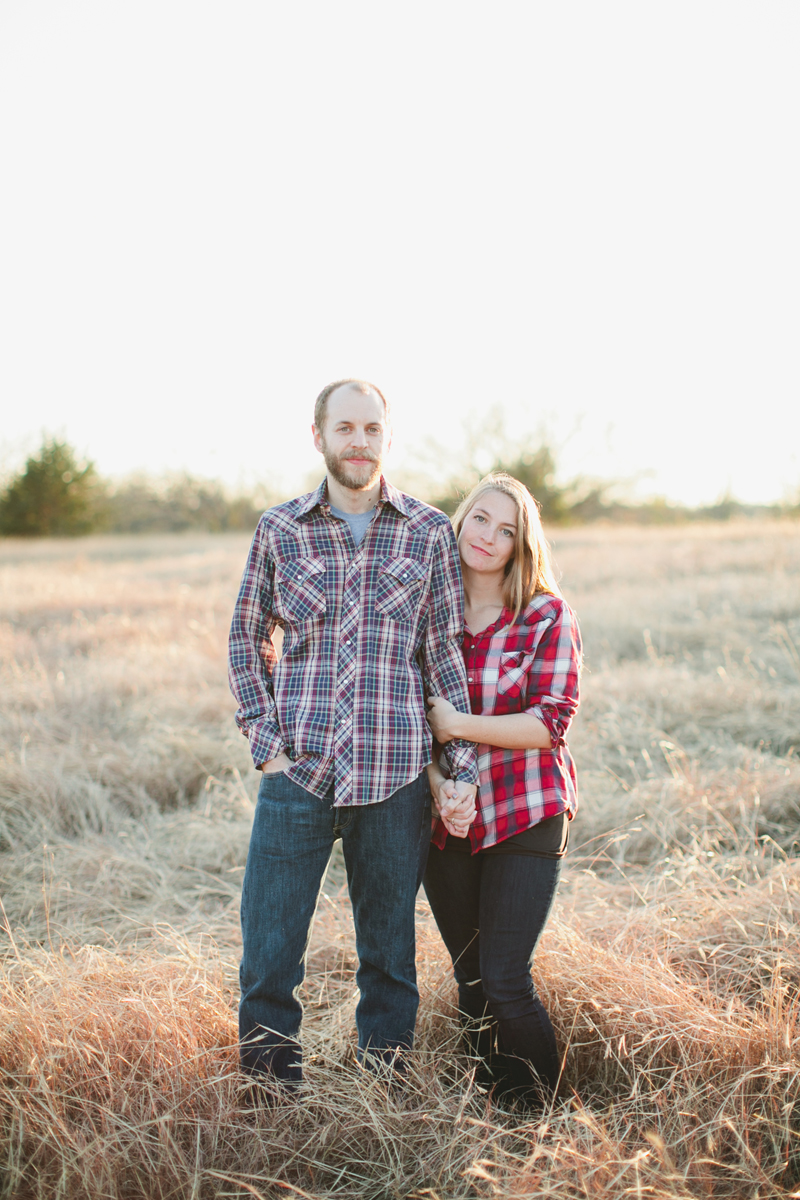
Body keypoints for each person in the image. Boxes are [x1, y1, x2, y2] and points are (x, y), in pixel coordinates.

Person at [227, 379, 478, 1090]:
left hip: (396, 779)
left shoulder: (427, 532)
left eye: (372, 428)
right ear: (320, 437)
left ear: (386, 439)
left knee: (390, 958)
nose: (359, 441)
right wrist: (267, 745)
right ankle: (270, 1092)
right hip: (296, 777)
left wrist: (456, 765)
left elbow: (443, 653)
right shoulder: (281, 529)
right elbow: (248, 641)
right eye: (346, 428)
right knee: (270, 953)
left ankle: (383, 1097)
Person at [423, 472, 582, 1109]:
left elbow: (551, 722)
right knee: (469, 979)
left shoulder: (544, 613)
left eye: (507, 530)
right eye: (480, 520)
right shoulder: (430, 614)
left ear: (522, 545)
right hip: (447, 819)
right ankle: (491, 1114)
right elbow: (410, 721)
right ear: (460, 521)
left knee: (507, 979)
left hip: (525, 808)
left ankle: (546, 1120)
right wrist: (439, 785)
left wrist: (459, 724)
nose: (488, 537)